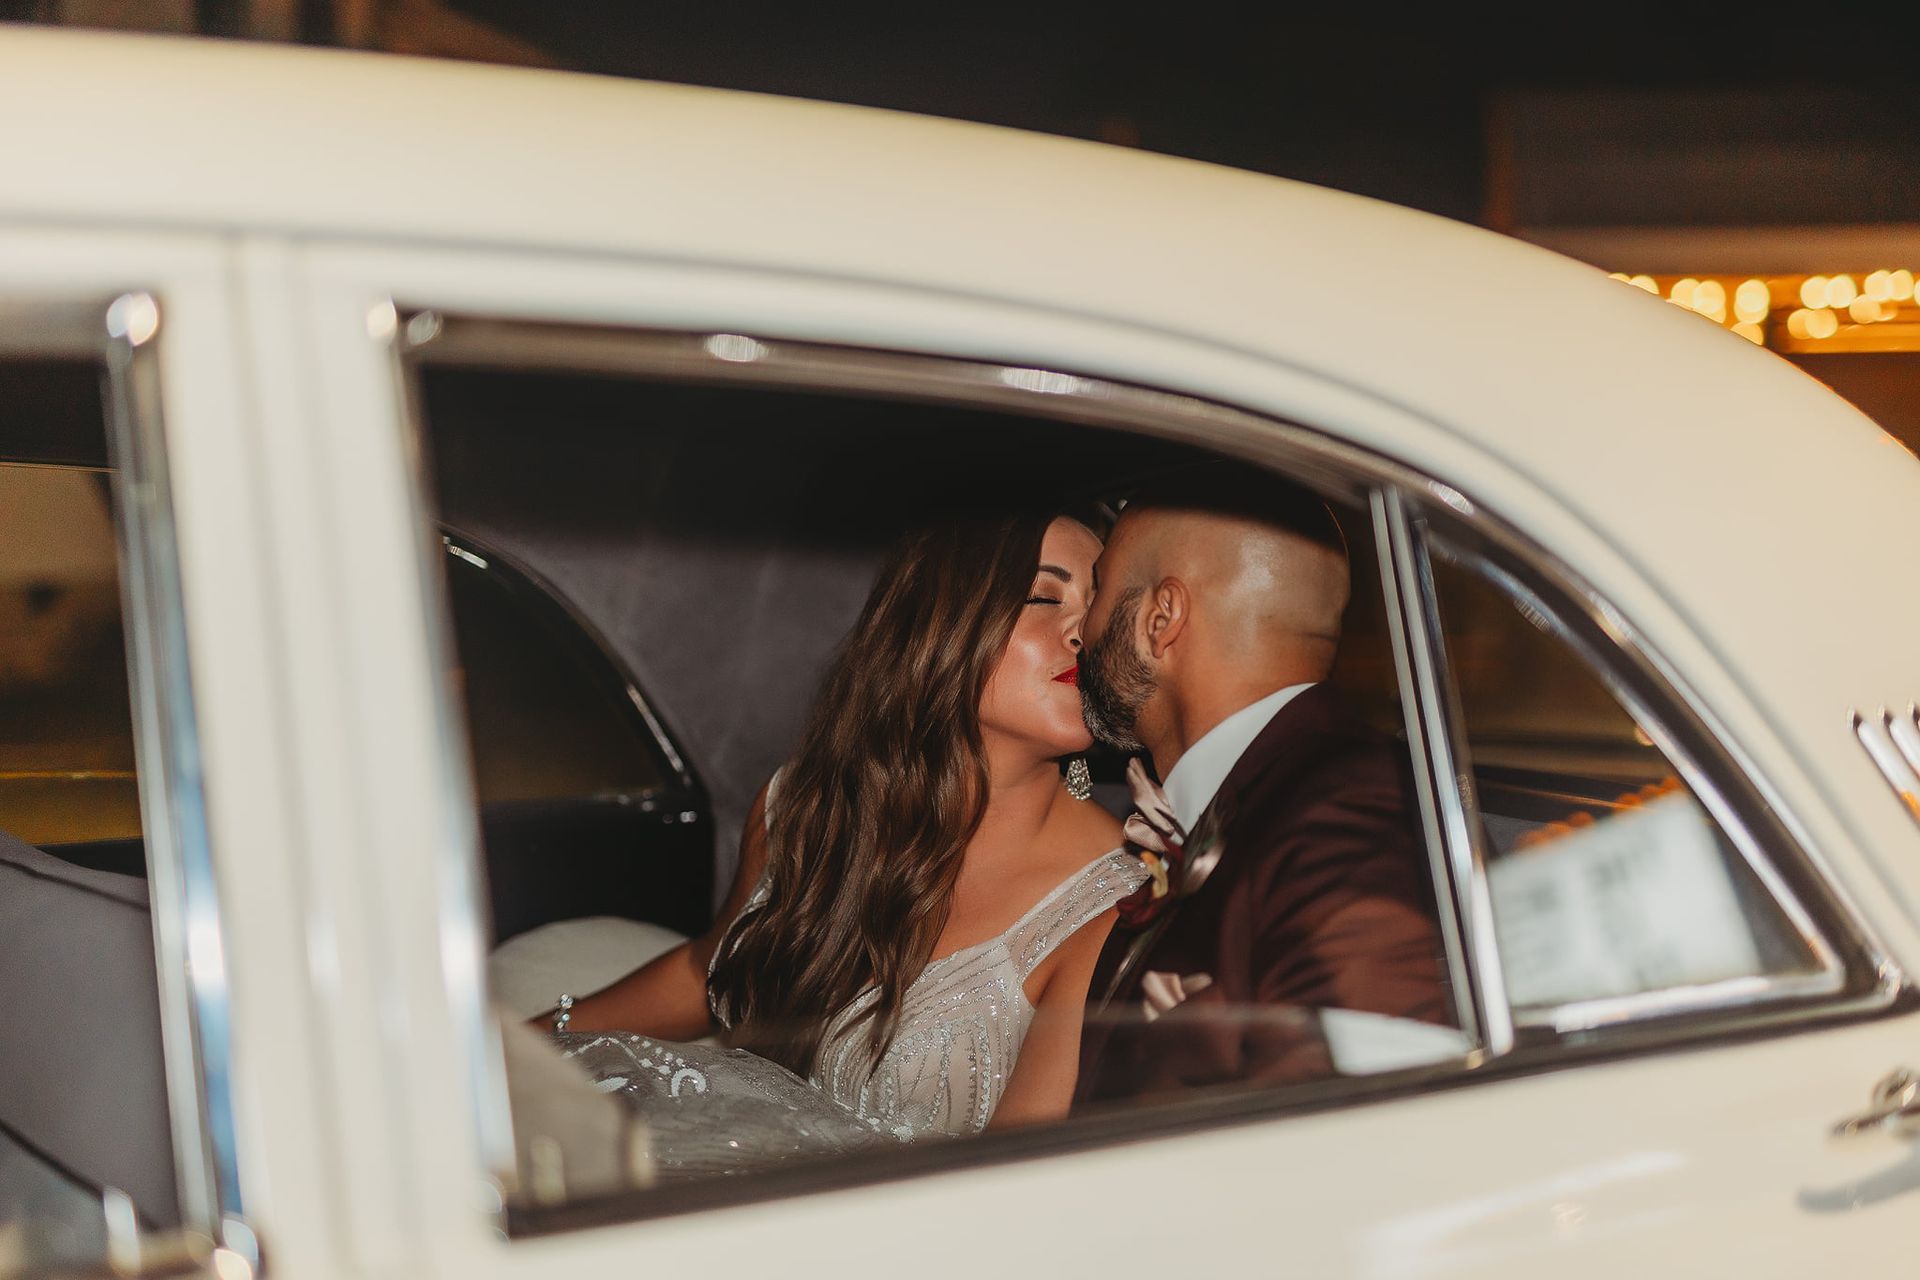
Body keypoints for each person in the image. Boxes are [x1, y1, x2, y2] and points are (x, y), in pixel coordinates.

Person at [543, 509, 1145, 1173]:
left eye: (1100, 606)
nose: (1086, 630)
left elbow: (1014, 1193)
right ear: (938, 620)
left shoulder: (1112, 909)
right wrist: (525, 1041)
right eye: (1045, 596)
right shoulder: (804, 809)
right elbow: (708, 973)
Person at [1072, 466, 1453, 1104]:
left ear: (1160, 619)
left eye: (1100, 589)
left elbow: (1383, 1139)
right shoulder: (1256, 798)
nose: (1083, 629)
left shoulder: (1351, 813)